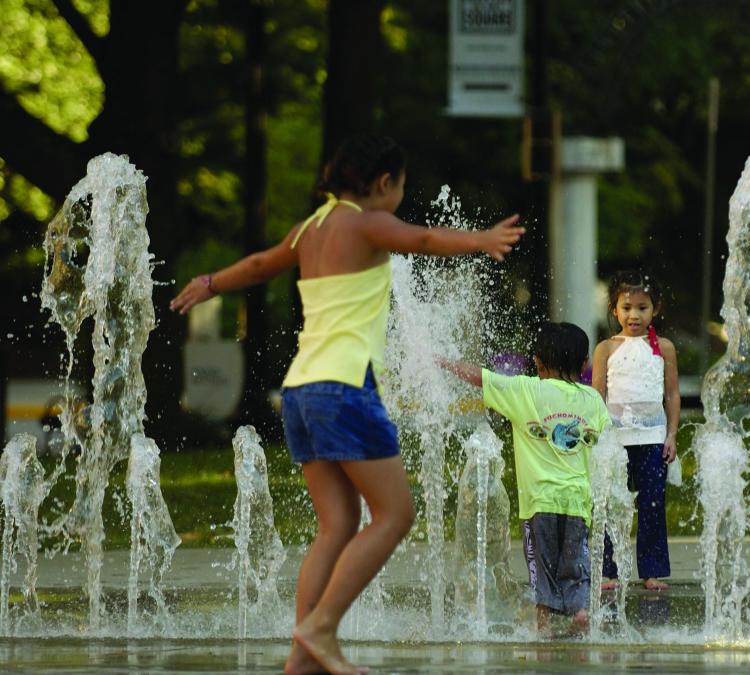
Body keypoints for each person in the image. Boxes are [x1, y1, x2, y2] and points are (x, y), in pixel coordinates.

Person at [170, 133, 525, 675]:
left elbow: (263, 264)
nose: (400, 199)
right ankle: (321, 626)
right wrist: (481, 240)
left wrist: (210, 281)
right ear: (383, 183)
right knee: (395, 514)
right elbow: (424, 240)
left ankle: (302, 656)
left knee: (336, 525)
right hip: (344, 389)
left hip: (301, 391)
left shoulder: (310, 228)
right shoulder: (364, 222)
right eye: (400, 188)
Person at [439, 322, 609, 636]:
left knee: (541, 569)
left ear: (538, 362)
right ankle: (581, 611)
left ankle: (542, 622)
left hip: (539, 503)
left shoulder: (526, 389)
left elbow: (479, 377)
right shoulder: (594, 401)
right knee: (575, 564)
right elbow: (605, 446)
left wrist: (441, 360)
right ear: (585, 364)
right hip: (578, 502)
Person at [591, 271, 680, 592]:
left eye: (642, 308)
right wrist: (597, 437)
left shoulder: (664, 348)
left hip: (653, 438)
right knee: (611, 502)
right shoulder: (606, 348)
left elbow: (671, 394)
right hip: (615, 440)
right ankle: (610, 571)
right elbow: (597, 394)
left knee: (652, 504)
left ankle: (652, 571)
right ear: (614, 310)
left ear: (655, 309)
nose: (634, 315)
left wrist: (671, 434)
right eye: (627, 307)